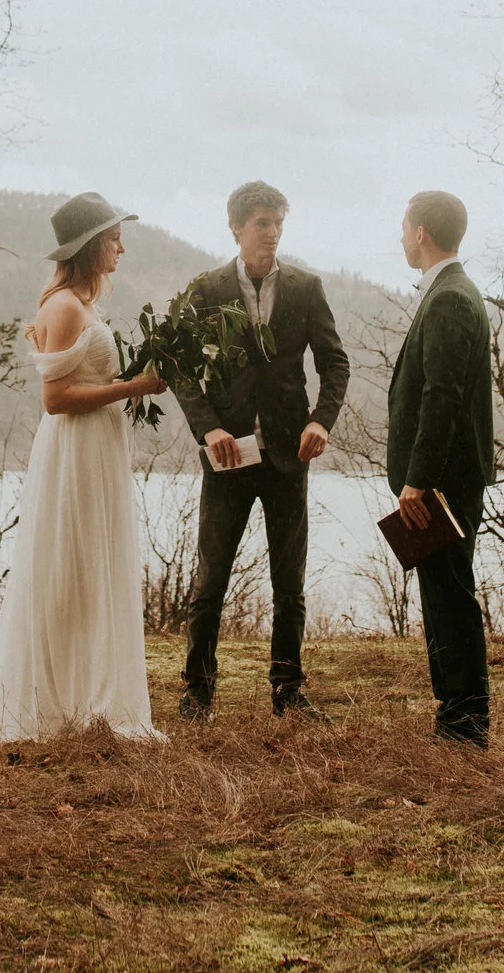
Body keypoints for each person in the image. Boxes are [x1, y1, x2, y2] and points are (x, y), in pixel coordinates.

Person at [0, 192, 168, 743]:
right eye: (113, 240)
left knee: (93, 569)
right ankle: (56, 702)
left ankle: (91, 699)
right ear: (90, 247)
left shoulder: (85, 308)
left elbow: (86, 383)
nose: (121, 248)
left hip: (97, 450)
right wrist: (136, 387)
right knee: (70, 568)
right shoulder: (63, 307)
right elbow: (56, 398)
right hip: (74, 453)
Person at [171, 181, 351, 720]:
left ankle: (288, 693)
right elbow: (180, 367)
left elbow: (335, 363)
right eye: (262, 224)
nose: (272, 233)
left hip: (286, 456)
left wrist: (322, 420)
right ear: (236, 227)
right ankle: (198, 694)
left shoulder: (305, 287)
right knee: (211, 580)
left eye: (278, 223)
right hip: (227, 458)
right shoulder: (205, 289)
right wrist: (208, 431)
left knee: (288, 584)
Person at [385, 189, 496, 747]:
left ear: (422, 232)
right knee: (444, 590)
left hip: (443, 479)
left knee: (450, 593)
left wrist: (417, 480)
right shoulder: (451, 292)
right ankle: (456, 715)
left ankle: (464, 720)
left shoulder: (450, 298)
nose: (402, 237)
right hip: (445, 475)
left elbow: (442, 397)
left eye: (405, 227)